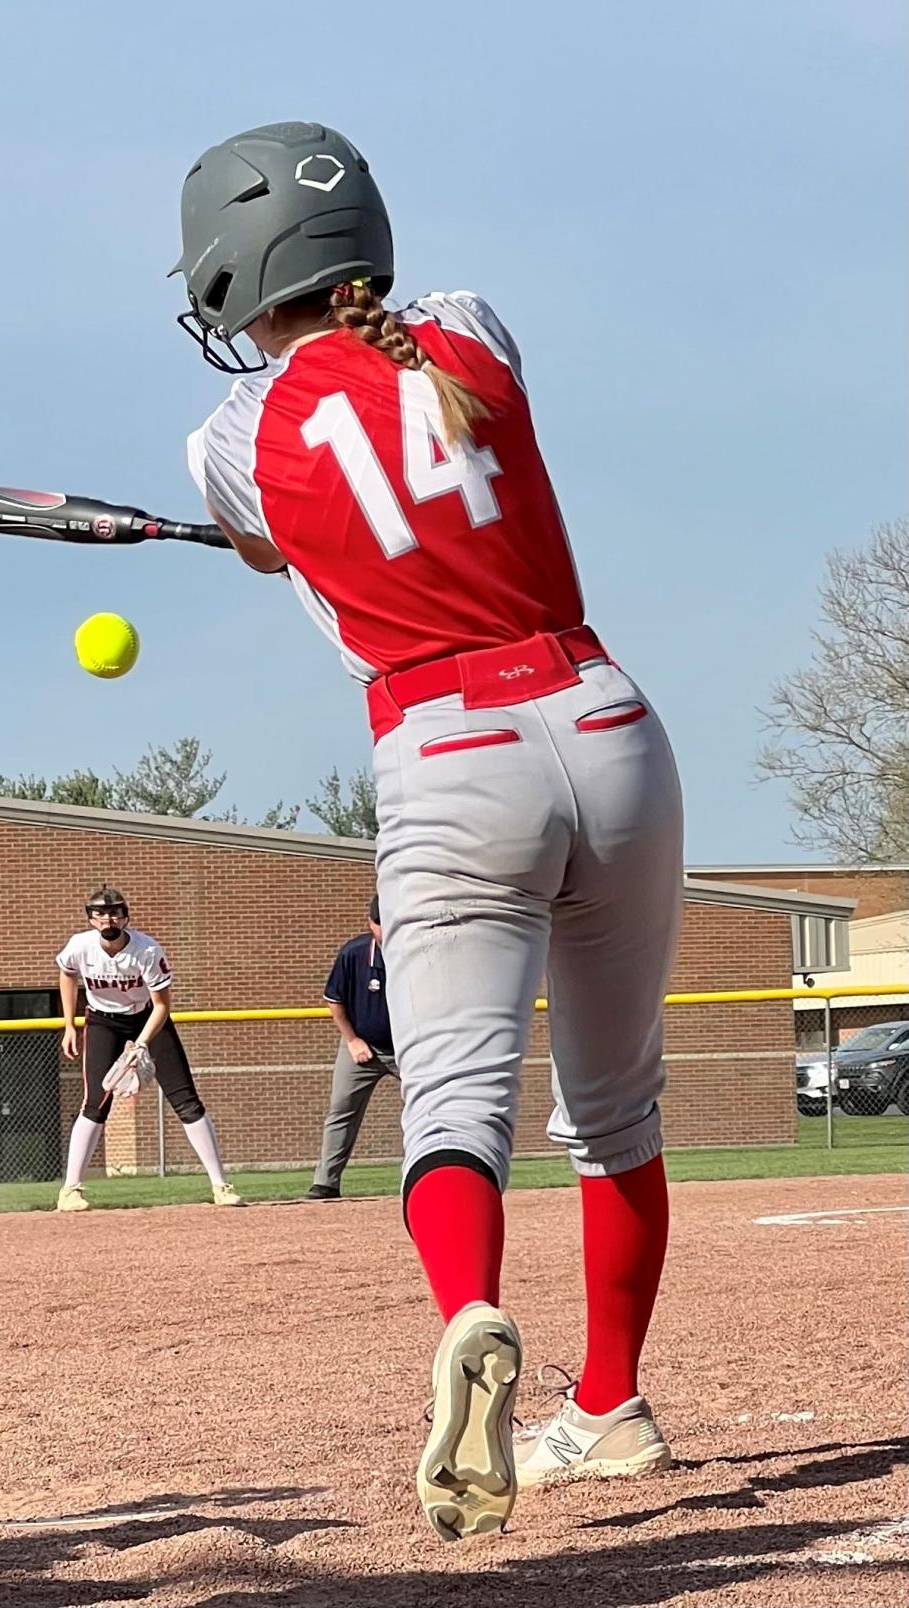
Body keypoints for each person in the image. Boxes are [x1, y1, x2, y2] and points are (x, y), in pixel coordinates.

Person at [174, 122, 683, 1540]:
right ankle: (614, 1409)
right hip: (605, 716)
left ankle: (469, 1312)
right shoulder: (465, 325)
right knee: (614, 1110)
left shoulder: (226, 439)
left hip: (447, 749)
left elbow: (278, 536)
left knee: (456, 1104)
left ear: (229, 276)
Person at [55, 886, 243, 1211]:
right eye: (100, 913)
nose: (108, 918)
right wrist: (70, 1024)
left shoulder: (147, 950)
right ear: (90, 919)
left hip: (147, 1017)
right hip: (102, 1021)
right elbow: (67, 974)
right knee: (94, 1104)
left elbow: (162, 1006)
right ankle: (70, 1191)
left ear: (125, 917)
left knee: (185, 1099)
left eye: (114, 912)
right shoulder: (80, 946)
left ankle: (220, 1186)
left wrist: (140, 1044)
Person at [306, 895, 398, 1200]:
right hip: (362, 1044)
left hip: (409, 1049)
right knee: (341, 1110)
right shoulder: (354, 954)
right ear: (370, 922)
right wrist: (352, 1040)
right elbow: (335, 1001)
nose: (385, 930)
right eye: (379, 923)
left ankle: (422, 1177)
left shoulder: (415, 951)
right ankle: (326, 1183)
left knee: (429, 1107)